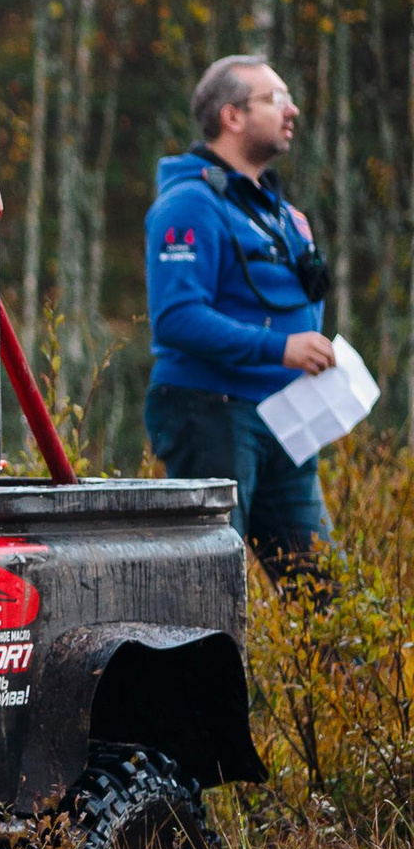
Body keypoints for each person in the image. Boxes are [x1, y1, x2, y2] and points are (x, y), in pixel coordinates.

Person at [142, 55, 334, 578]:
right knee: (210, 585)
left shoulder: (281, 214)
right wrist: (281, 348)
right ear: (232, 117)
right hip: (213, 415)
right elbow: (177, 319)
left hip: (284, 420)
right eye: (275, 99)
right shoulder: (189, 204)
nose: (291, 110)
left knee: (326, 595)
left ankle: (322, 665)